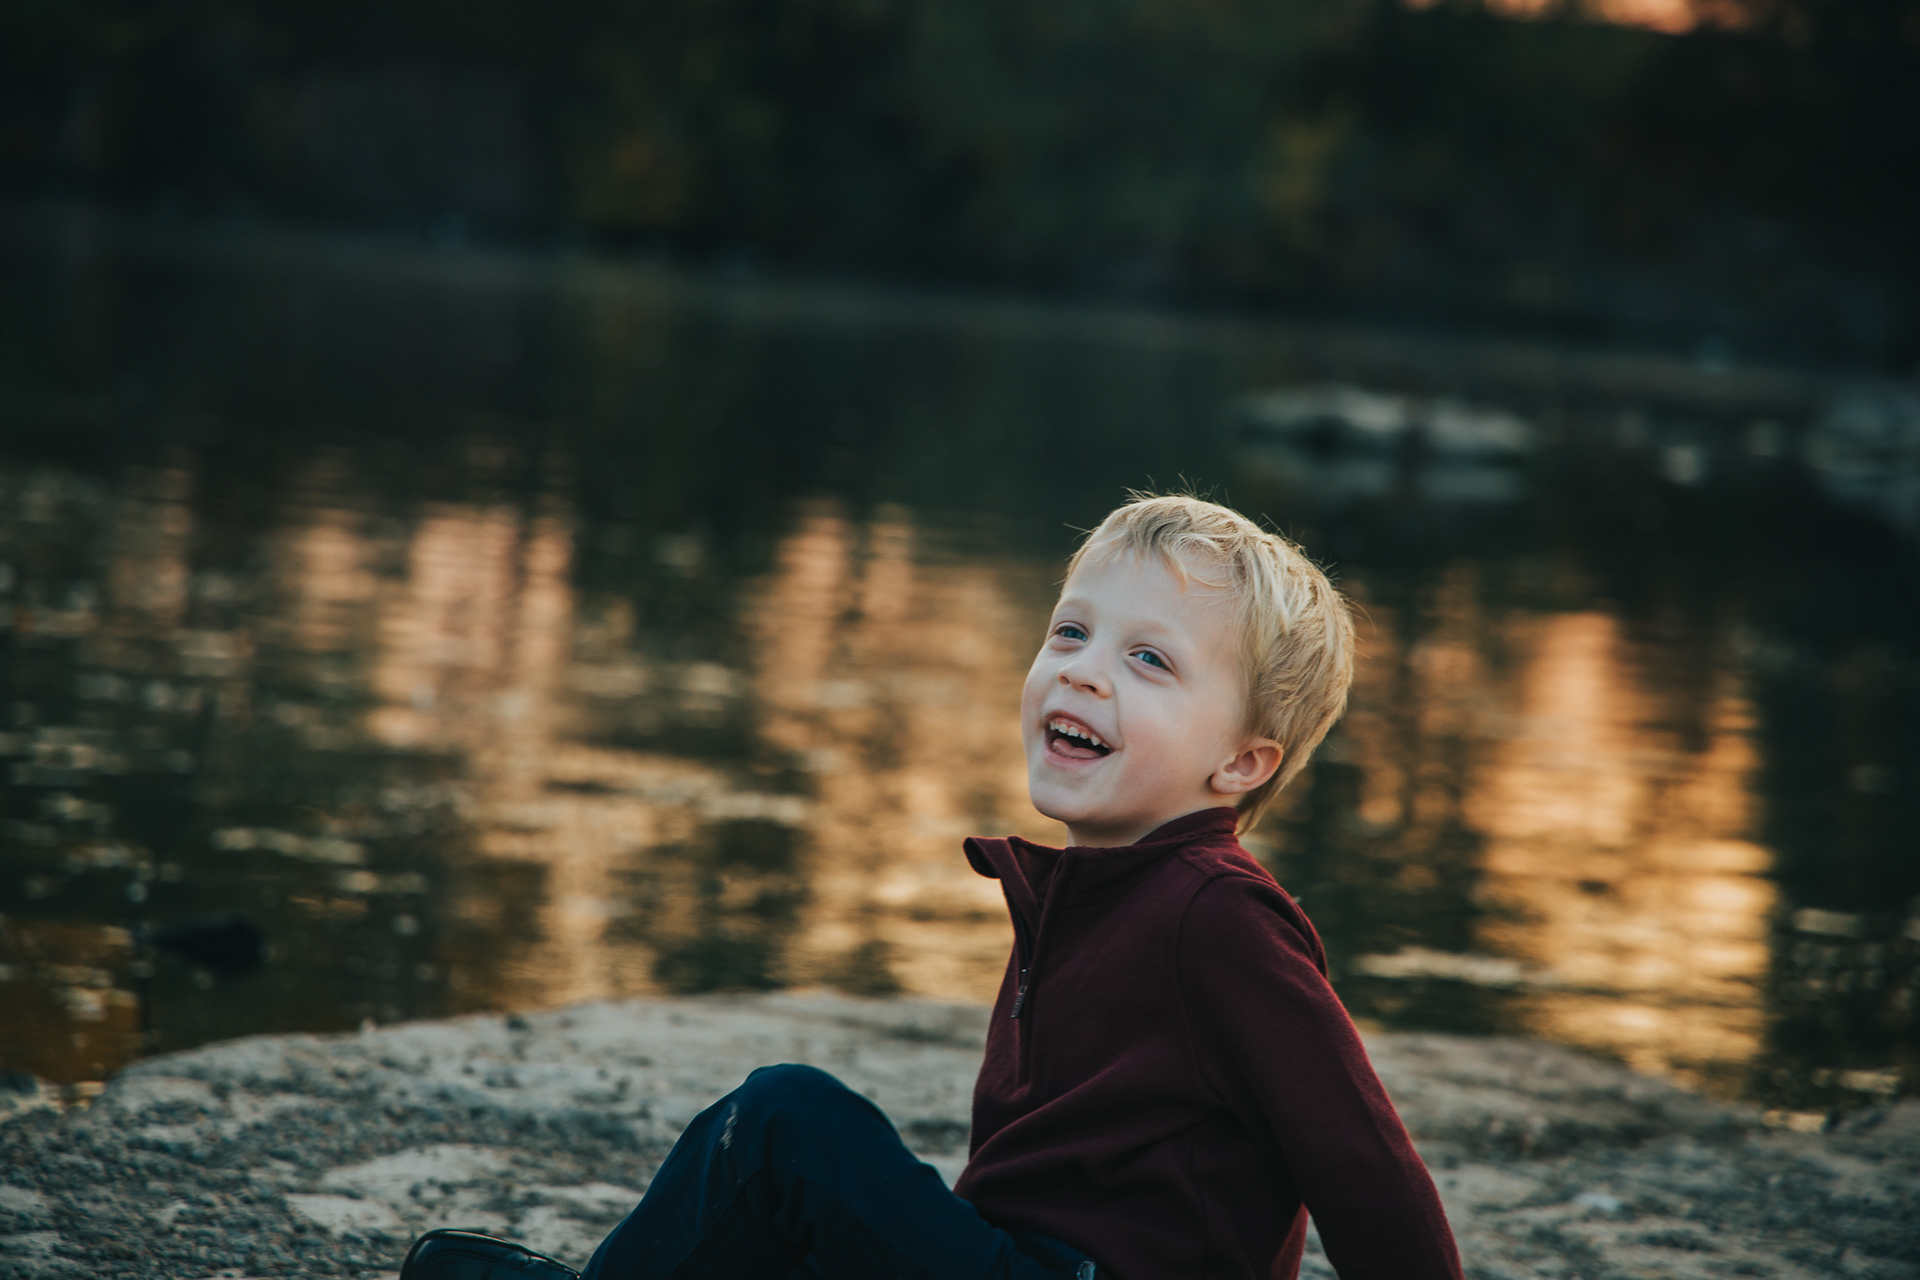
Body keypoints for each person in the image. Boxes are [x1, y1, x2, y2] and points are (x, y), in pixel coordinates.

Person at [400, 493, 1461, 1280]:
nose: (1084, 668)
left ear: (1241, 763)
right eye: (1071, 631)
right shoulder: (1088, 891)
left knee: (786, 1121)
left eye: (1151, 660)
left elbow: (1365, 1168)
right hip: (1016, 1259)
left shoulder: (1217, 913)